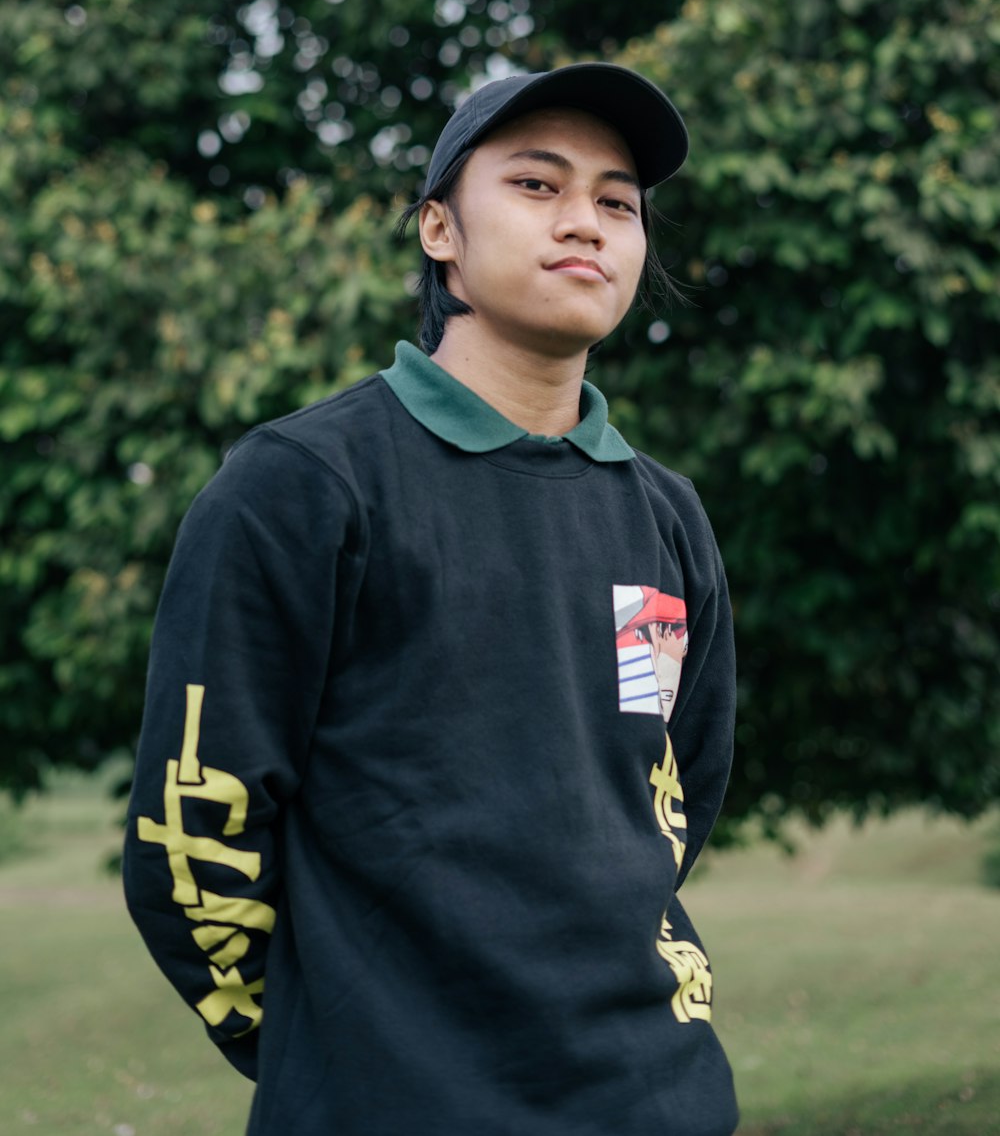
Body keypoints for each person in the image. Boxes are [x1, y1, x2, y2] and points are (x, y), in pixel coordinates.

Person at [123, 61, 739, 1136]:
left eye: (617, 202)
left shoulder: (665, 516)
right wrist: (340, 1038)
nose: (584, 224)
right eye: (537, 186)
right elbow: (191, 836)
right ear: (438, 231)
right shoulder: (303, 486)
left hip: (658, 1098)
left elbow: (668, 799)